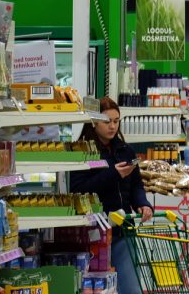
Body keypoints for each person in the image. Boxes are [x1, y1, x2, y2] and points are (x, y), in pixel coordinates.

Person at [70, 98, 153, 294]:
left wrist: (143, 203)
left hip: (122, 230)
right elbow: (78, 189)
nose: (113, 126)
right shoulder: (80, 151)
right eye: (107, 121)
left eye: (116, 121)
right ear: (93, 122)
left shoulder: (126, 150)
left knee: (131, 289)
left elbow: (136, 185)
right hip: (93, 232)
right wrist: (113, 174)